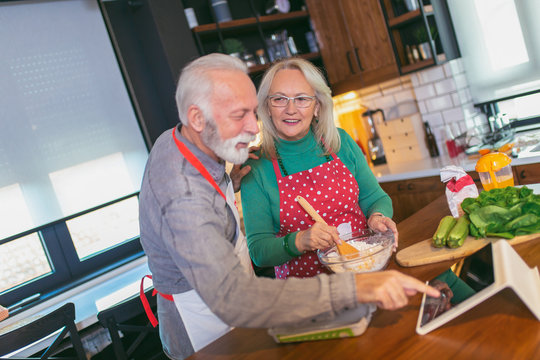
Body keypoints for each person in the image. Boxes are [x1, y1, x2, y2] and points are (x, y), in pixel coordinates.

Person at [138, 53, 439, 360]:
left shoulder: (187, 141)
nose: (253, 126)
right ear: (197, 117)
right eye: (238, 115)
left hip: (248, 304)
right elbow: (233, 296)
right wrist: (353, 289)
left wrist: (228, 182)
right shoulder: (181, 194)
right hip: (205, 324)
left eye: (252, 112)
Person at [240, 58, 398, 279]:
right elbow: (258, 251)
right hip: (309, 295)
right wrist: (300, 240)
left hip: (365, 273)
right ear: (267, 106)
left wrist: (377, 216)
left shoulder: (340, 142)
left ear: (318, 106)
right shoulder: (256, 167)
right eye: (279, 99)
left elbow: (374, 197)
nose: (291, 109)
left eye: (302, 99)